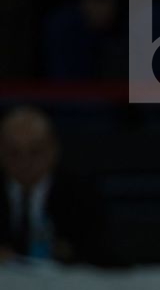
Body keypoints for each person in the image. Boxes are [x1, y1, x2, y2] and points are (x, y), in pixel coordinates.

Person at [0, 106, 105, 266]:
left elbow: (99, 252)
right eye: (14, 152)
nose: (24, 162)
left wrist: (67, 254)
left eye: (35, 151)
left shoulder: (81, 193)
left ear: (53, 150)